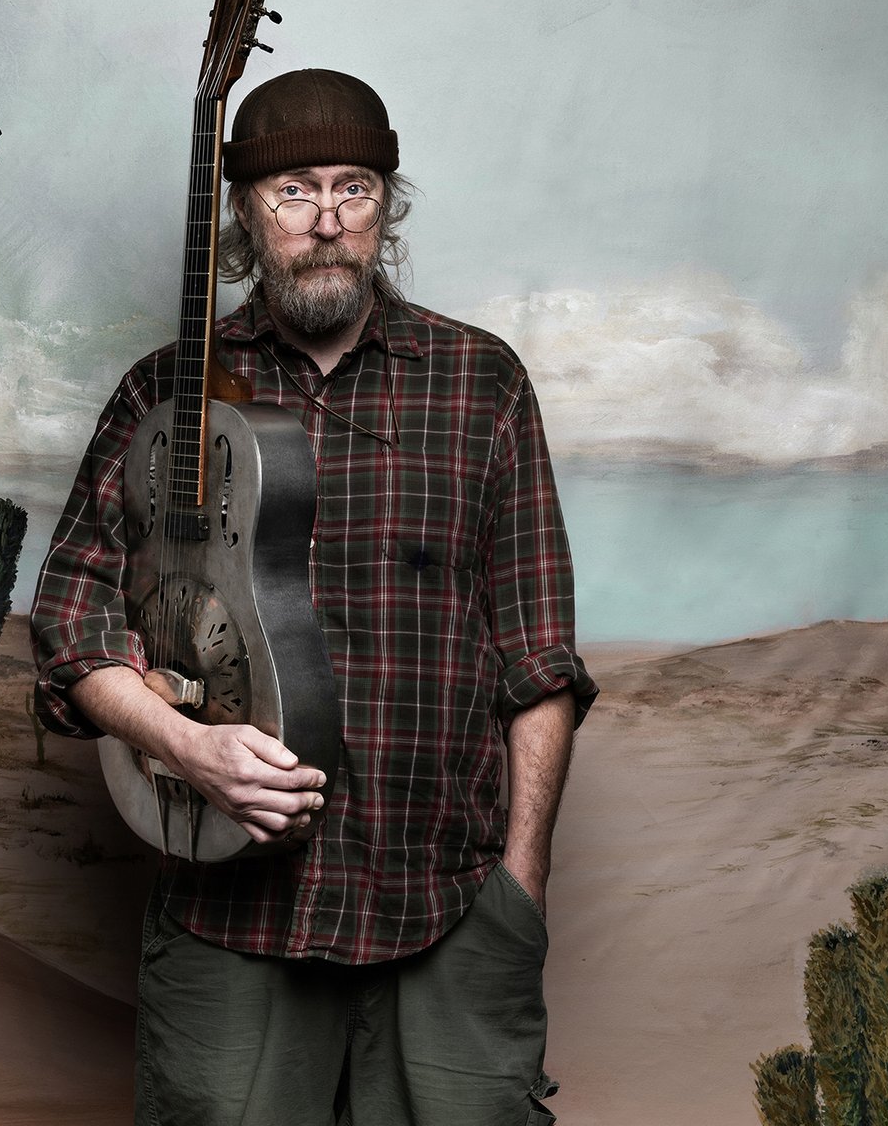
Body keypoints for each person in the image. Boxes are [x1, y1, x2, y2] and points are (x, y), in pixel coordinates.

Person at [30, 68, 596, 1126]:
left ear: (389, 207)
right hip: (231, 911)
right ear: (245, 213)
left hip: (448, 899)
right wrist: (185, 745)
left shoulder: (482, 384)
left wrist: (521, 882)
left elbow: (540, 659)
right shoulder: (170, 397)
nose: (328, 220)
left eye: (356, 188)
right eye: (294, 191)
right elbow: (69, 616)